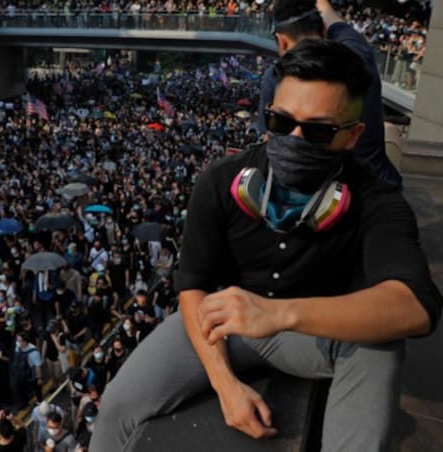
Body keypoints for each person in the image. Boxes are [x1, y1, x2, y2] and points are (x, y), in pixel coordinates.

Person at [92, 40, 442, 451]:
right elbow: (193, 286)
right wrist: (226, 387)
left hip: (313, 333)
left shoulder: (376, 201)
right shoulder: (220, 180)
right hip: (226, 323)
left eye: (316, 130)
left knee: (378, 345)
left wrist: (278, 313)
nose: (294, 138)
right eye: (281, 122)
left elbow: (416, 307)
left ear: (352, 137)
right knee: (117, 406)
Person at [255, 0, 402, 186]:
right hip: (379, 182)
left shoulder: (276, 79)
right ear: (324, 31)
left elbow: (265, 145)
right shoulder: (357, 54)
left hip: (319, 198)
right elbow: (329, 13)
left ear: (282, 41)